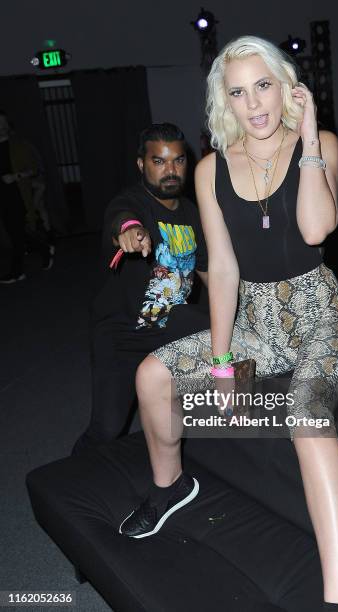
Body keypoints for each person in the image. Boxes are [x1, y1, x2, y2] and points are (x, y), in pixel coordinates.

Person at [118, 38, 338, 611]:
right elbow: (225, 268)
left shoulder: (322, 144)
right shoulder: (209, 169)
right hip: (255, 319)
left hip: (322, 316)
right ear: (222, 102)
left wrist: (308, 137)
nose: (254, 103)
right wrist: (222, 360)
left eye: (264, 85)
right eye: (238, 91)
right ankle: (171, 489)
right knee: (152, 374)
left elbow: (314, 230)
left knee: (306, 412)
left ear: (287, 87)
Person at [72, 123, 209, 455]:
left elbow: (209, 271)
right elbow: (122, 217)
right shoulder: (131, 201)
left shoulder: (193, 213)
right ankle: (75, 472)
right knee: (108, 427)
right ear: (141, 164)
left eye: (177, 161)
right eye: (159, 161)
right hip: (123, 331)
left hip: (173, 324)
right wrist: (130, 230)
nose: (170, 170)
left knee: (228, 337)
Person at [0, 110, 53, 283]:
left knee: (17, 234)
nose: (1, 126)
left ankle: (17, 272)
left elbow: (34, 169)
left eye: (3, 123)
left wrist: (16, 176)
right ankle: (44, 249)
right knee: (17, 233)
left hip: (18, 195)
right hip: (3, 196)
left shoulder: (19, 145)